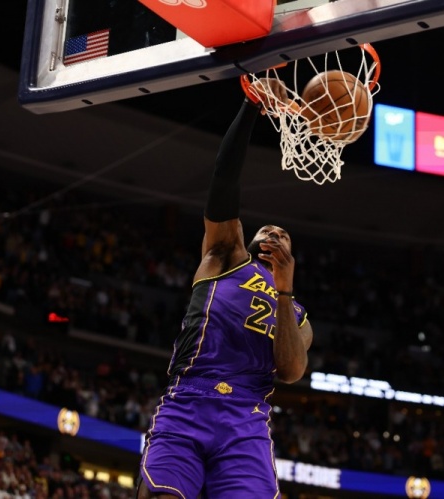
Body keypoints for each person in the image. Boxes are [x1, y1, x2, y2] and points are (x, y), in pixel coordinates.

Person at [137, 80, 314, 499]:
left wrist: (284, 292)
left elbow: (291, 371)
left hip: (246, 417)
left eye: (283, 234)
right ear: (249, 240)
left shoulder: (299, 314)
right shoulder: (226, 256)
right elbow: (223, 179)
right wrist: (251, 106)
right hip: (190, 398)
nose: (274, 233)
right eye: (267, 230)